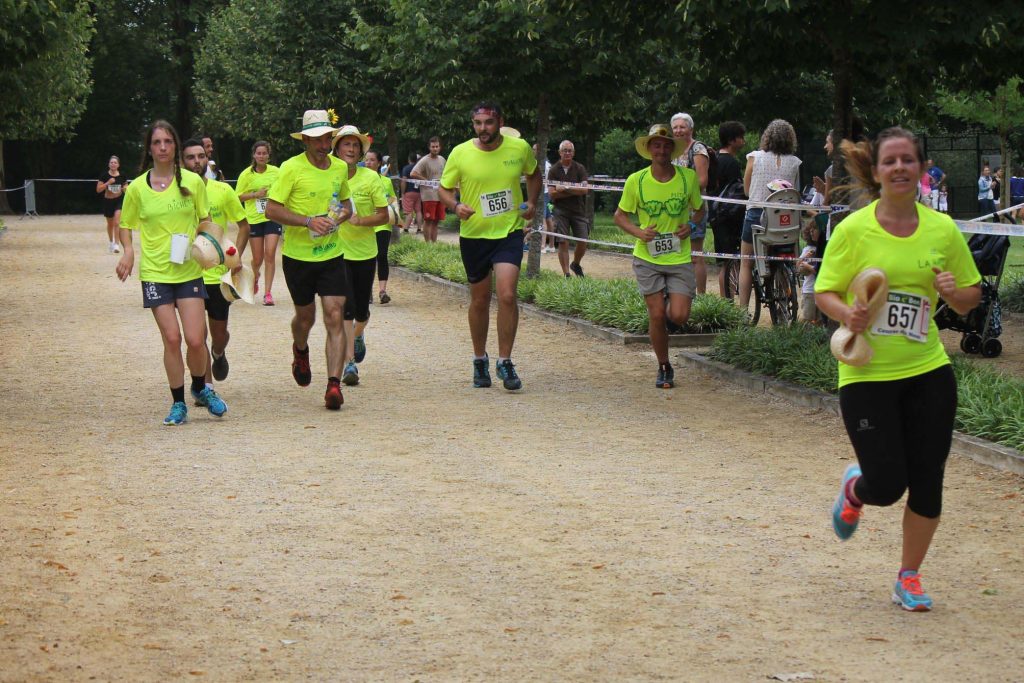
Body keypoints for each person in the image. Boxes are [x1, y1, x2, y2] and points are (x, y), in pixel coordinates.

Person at [815, 127, 981, 612]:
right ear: (877, 170)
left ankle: (909, 576)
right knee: (887, 486)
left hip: (928, 370)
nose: (900, 168)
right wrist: (847, 315)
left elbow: (971, 297)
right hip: (867, 375)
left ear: (922, 168)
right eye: (890, 161)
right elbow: (825, 291)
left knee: (928, 478)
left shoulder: (942, 229)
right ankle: (857, 488)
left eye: (909, 159)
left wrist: (953, 292)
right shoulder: (854, 230)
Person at [115, 120, 226, 426]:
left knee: (195, 339)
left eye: (167, 141)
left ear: (175, 146)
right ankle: (178, 403)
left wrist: (209, 246)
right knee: (172, 338)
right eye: (157, 142)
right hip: (155, 273)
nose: (162, 147)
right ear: (149, 149)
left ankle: (201, 387)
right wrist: (128, 251)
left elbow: (205, 220)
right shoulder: (137, 188)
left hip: (188, 270)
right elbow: (125, 225)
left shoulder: (192, 182)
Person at [438, 102, 541, 391]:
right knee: (480, 300)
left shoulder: (519, 148)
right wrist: (455, 206)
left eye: (489, 122)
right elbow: (444, 188)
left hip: (508, 232)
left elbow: (534, 174)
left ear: (500, 122)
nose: (483, 128)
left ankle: (505, 361)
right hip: (474, 235)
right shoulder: (460, 153)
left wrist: (531, 201)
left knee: (507, 295)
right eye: (478, 123)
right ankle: (479, 359)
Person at [265, 110, 354, 410]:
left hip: (332, 254)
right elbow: (272, 210)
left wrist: (339, 217)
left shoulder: (339, 168)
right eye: (317, 139)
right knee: (306, 318)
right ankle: (300, 349)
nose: (324, 145)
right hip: (298, 257)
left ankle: (333, 385)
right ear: (305, 140)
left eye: (327, 138)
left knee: (334, 314)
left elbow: (346, 205)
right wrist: (307, 221)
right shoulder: (290, 169)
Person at [614, 124, 704, 388]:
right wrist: (639, 233)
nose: (661, 150)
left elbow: (699, 209)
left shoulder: (687, 178)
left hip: (678, 257)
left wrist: (692, 225)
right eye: (657, 145)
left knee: (679, 316)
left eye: (666, 146)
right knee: (655, 315)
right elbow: (620, 216)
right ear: (649, 149)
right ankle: (664, 366)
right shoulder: (636, 180)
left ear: (672, 150)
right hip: (648, 258)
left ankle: (666, 314)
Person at [181, 138, 251, 388]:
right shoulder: (175, 192)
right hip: (188, 274)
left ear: (207, 159)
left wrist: (236, 257)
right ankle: (205, 386)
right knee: (196, 336)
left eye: (201, 156)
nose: (196, 162)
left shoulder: (223, 190)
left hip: (217, 275)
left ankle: (218, 353)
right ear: (182, 161)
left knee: (218, 335)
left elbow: (244, 225)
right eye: (190, 157)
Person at [331, 126, 389, 386]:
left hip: (365, 252)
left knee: (362, 312)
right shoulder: (329, 175)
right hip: (337, 251)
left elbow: (383, 216)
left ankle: (357, 334)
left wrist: (359, 220)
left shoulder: (371, 178)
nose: (351, 149)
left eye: (356, 145)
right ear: (337, 149)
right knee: (346, 308)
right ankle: (349, 363)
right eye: (346, 144)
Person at [738, 119, 802, 314]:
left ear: (767, 137)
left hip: (757, 215)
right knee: (781, 257)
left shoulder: (754, 158)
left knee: (746, 262)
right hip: (785, 219)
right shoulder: (795, 162)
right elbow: (795, 191)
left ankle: (743, 311)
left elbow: (747, 190)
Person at [235, 140, 281, 305]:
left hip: (272, 217)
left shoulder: (276, 172)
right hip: (254, 219)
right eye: (258, 153)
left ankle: (267, 293)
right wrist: (255, 195)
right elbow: (237, 197)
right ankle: (255, 276)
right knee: (257, 259)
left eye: (264, 153)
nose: (261, 156)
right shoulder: (246, 175)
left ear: (269, 155)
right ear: (254, 155)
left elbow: (284, 189)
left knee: (270, 253)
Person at [670, 112, 711, 294]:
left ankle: (701, 295)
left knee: (695, 254)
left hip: (695, 209)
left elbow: (702, 180)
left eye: (682, 127)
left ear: (691, 129)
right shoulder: (672, 149)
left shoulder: (698, 149)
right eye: (675, 127)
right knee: (677, 252)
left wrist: (681, 190)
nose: (678, 130)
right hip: (675, 209)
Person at [711, 121, 746, 296]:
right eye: (741, 137)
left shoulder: (715, 159)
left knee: (725, 262)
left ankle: (727, 300)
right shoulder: (731, 163)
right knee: (730, 262)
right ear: (732, 140)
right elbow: (738, 191)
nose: (744, 141)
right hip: (730, 217)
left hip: (716, 215)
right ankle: (728, 299)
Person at [547, 140, 589, 277]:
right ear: (560, 152)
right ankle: (566, 274)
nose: (567, 153)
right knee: (563, 241)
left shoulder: (580, 168)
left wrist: (565, 188)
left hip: (578, 210)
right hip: (560, 211)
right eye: (564, 150)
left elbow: (584, 190)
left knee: (583, 241)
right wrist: (574, 189)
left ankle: (575, 264)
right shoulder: (553, 170)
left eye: (569, 150)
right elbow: (552, 193)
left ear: (573, 153)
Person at [364, 149, 399, 304]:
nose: (368, 163)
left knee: (382, 255)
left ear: (379, 163)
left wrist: (395, 215)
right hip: (366, 223)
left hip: (383, 223)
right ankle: (367, 290)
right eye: (366, 160)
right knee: (369, 257)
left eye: (372, 160)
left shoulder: (386, 181)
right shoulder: (359, 180)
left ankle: (382, 291)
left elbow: (392, 200)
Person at [411, 137, 446, 242]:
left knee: (436, 220)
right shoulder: (424, 160)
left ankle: (434, 243)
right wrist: (426, 180)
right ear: (429, 147)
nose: (435, 149)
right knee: (429, 220)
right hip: (429, 195)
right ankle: (427, 244)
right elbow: (413, 173)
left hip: (440, 194)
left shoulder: (442, 159)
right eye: (433, 147)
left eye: (437, 146)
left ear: (440, 147)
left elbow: (446, 174)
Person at [97, 155, 128, 253]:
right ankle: (111, 242)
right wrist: (108, 183)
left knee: (117, 222)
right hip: (108, 201)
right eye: (111, 162)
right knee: (110, 224)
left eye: (115, 162)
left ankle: (116, 245)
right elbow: (98, 189)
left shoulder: (122, 175)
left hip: (119, 200)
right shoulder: (104, 175)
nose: (113, 164)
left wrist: (125, 188)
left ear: (118, 165)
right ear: (109, 164)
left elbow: (126, 187)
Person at [532, 143, 556, 252]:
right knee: (548, 219)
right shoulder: (545, 164)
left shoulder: (543, 165)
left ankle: (542, 246)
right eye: (533, 149)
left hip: (544, 193)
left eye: (534, 149)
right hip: (546, 193)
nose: (533, 151)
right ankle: (551, 245)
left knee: (542, 219)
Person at [796, 220, 818, 324]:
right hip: (809, 290)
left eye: (814, 230)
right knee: (807, 318)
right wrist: (805, 257)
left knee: (819, 320)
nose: (812, 232)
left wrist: (807, 266)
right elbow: (798, 265)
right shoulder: (807, 249)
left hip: (819, 290)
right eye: (810, 230)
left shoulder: (823, 248)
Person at [400, 153, 422, 234]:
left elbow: (404, 181)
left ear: (409, 159)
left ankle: (406, 229)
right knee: (418, 211)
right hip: (418, 192)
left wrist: (403, 193)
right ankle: (419, 229)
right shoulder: (419, 169)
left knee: (409, 212)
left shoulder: (406, 168)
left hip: (408, 192)